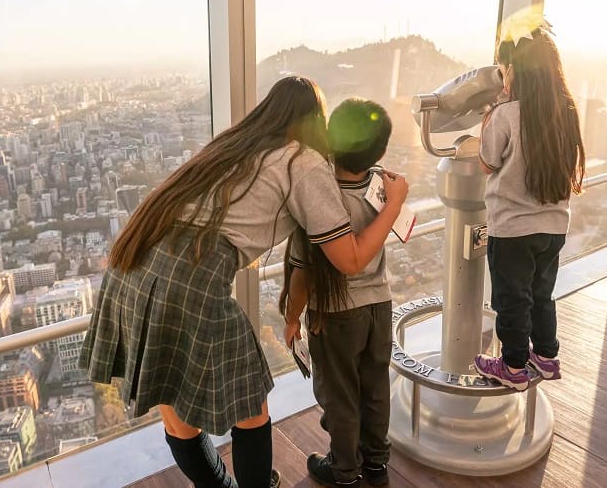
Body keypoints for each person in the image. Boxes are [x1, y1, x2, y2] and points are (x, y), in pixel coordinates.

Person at [79, 77, 409, 488]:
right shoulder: (302, 162)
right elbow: (351, 259)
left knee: (175, 413)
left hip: (132, 264)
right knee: (250, 406)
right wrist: (394, 203)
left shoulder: (235, 145)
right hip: (192, 277)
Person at [279, 98, 395, 488]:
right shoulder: (382, 189)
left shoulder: (319, 196)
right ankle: (376, 465)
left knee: (340, 395)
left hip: (337, 315)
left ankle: (345, 472)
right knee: (375, 389)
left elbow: (303, 274)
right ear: (380, 150)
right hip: (380, 304)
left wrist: (292, 318)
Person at [471, 13, 585, 391]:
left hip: (513, 230)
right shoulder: (565, 111)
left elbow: (487, 162)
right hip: (553, 227)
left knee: (512, 300)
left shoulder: (506, 114)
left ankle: (514, 366)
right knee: (540, 295)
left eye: (505, 70)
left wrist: (490, 116)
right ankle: (547, 357)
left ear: (515, 72)